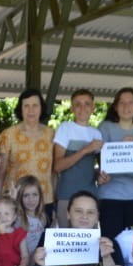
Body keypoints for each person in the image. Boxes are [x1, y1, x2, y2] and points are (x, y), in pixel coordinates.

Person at [96, 87, 133, 239]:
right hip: (110, 194)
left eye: (130, 102)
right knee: (110, 242)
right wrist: (100, 174)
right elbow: (99, 161)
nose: (126, 106)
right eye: (122, 103)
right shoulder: (105, 128)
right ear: (115, 107)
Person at [0, 88, 57, 213]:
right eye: (26, 106)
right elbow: (1, 173)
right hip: (16, 199)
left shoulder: (52, 135)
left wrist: (54, 199)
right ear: (20, 109)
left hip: (44, 200)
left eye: (35, 105)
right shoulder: (8, 134)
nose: (31, 110)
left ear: (41, 108)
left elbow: (54, 172)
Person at [51, 89, 103, 227]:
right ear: (72, 108)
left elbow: (98, 167)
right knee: (66, 242)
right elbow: (58, 166)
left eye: (87, 104)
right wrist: (86, 149)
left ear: (93, 108)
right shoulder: (65, 128)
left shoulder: (97, 133)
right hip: (67, 195)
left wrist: (102, 175)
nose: (82, 108)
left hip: (90, 197)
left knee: (89, 243)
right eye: (78, 104)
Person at [16, 175, 47, 258]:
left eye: (35, 194)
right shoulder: (17, 218)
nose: (31, 200)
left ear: (40, 196)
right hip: (22, 262)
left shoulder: (42, 217)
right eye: (26, 195)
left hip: (38, 261)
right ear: (19, 197)